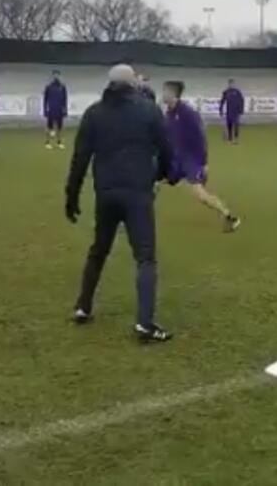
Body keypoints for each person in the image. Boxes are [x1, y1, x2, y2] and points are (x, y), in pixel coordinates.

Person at [65, 64, 175, 344]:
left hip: (106, 192)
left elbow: (80, 158)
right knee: (145, 257)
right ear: (133, 84)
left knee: (98, 250)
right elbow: (166, 149)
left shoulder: (94, 113)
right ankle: (145, 323)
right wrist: (161, 174)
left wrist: (72, 195)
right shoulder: (149, 111)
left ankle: (83, 307)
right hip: (137, 192)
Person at [164, 81, 242, 233]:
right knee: (151, 182)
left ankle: (229, 216)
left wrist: (204, 163)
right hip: (177, 159)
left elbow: (201, 137)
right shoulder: (168, 113)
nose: (163, 94)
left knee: (200, 195)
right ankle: (133, 216)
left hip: (192, 160)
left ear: (174, 95)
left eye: (166, 91)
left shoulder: (188, 113)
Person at [43, 70, 69, 149]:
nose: (56, 76)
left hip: (59, 110)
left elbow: (65, 99)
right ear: (52, 76)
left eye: (57, 75)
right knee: (49, 127)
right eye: (54, 75)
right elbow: (45, 100)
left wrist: (65, 110)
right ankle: (47, 143)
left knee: (60, 128)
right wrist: (45, 110)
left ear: (59, 76)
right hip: (51, 109)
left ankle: (59, 142)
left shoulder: (62, 87)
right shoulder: (48, 87)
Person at [219, 79, 245, 144]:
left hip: (236, 112)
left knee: (236, 125)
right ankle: (230, 139)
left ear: (234, 84)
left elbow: (241, 100)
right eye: (230, 84)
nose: (231, 85)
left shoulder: (237, 92)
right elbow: (222, 101)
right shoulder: (226, 92)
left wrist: (241, 110)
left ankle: (236, 139)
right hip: (229, 111)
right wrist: (221, 110)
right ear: (229, 84)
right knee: (229, 125)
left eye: (232, 84)